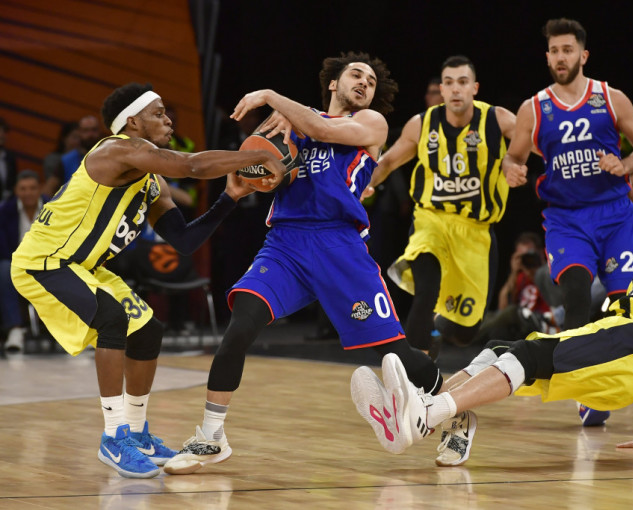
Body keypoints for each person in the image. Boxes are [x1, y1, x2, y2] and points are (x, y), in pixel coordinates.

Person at [162, 52, 445, 475]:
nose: (364, 83)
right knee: (240, 326)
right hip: (286, 243)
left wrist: (271, 96)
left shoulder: (371, 123)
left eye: (371, 81)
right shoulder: (289, 121)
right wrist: (260, 170)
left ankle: (454, 411)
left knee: (395, 351)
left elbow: (321, 128)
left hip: (339, 245)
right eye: (355, 75)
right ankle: (211, 436)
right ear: (332, 82)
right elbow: (263, 164)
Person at [352, 172, 633, 464]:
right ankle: (444, 415)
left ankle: (425, 416)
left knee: (529, 353)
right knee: (500, 349)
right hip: (628, 345)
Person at [10, 82, 286, 479]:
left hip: (84, 266)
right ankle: (114, 437)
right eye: (158, 113)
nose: (168, 120)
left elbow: (184, 240)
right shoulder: (115, 150)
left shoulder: (152, 181)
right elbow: (192, 166)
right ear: (133, 123)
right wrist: (257, 154)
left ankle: (137, 434)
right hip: (44, 261)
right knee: (112, 318)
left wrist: (229, 198)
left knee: (147, 331)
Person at [502, 18, 633, 423]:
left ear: (583, 55)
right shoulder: (533, 108)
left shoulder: (611, 98)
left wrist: (624, 164)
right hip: (566, 218)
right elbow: (513, 157)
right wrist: (511, 170)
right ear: (547, 57)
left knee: (625, 304)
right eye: (554, 51)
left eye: (567, 50)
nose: (561, 57)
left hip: (613, 215)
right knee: (575, 295)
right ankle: (586, 392)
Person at [364, 55, 516, 358]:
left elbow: (537, 141)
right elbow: (389, 161)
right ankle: (413, 373)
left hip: (475, 230)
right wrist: (364, 185)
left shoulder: (497, 119)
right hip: (431, 221)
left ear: (475, 88)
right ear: (442, 89)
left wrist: (516, 161)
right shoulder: (422, 124)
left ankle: (437, 329)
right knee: (426, 290)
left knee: (465, 332)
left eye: (462, 82)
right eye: (449, 83)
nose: (456, 89)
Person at [0, 170, 48, 352]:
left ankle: (74, 331)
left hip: (48, 262)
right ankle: (15, 329)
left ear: (39, 189)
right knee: (3, 269)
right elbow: (3, 247)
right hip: (15, 263)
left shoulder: (54, 207)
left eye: (32, 188)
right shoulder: (5, 211)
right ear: (16, 191)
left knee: (70, 270)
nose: (28, 193)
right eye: (23, 189)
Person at [43, 114, 103, 196]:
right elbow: (48, 191)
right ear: (79, 133)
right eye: (86, 130)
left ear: (100, 131)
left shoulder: (111, 156)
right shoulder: (66, 161)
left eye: (94, 130)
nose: (90, 135)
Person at [0, 117, 18, 200]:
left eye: (3, 131)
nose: (1, 134)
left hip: (7, 202)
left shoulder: (10, 157)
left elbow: (14, 182)